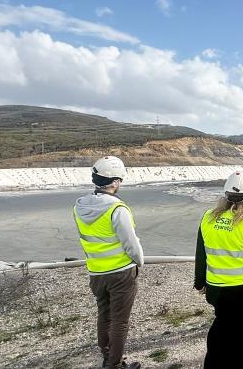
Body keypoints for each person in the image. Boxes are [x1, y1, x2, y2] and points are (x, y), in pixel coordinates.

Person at [194, 171, 243, 368]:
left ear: (225, 194)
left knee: (221, 326)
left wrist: (199, 282)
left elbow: (201, 253)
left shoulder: (207, 218)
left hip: (216, 289)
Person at [73, 156, 144, 369]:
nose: (120, 183)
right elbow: (130, 243)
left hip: (96, 272)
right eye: (119, 179)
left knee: (104, 316)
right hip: (121, 272)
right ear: (114, 181)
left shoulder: (79, 207)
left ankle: (107, 356)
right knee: (120, 321)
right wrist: (139, 261)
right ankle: (114, 364)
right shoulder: (117, 209)